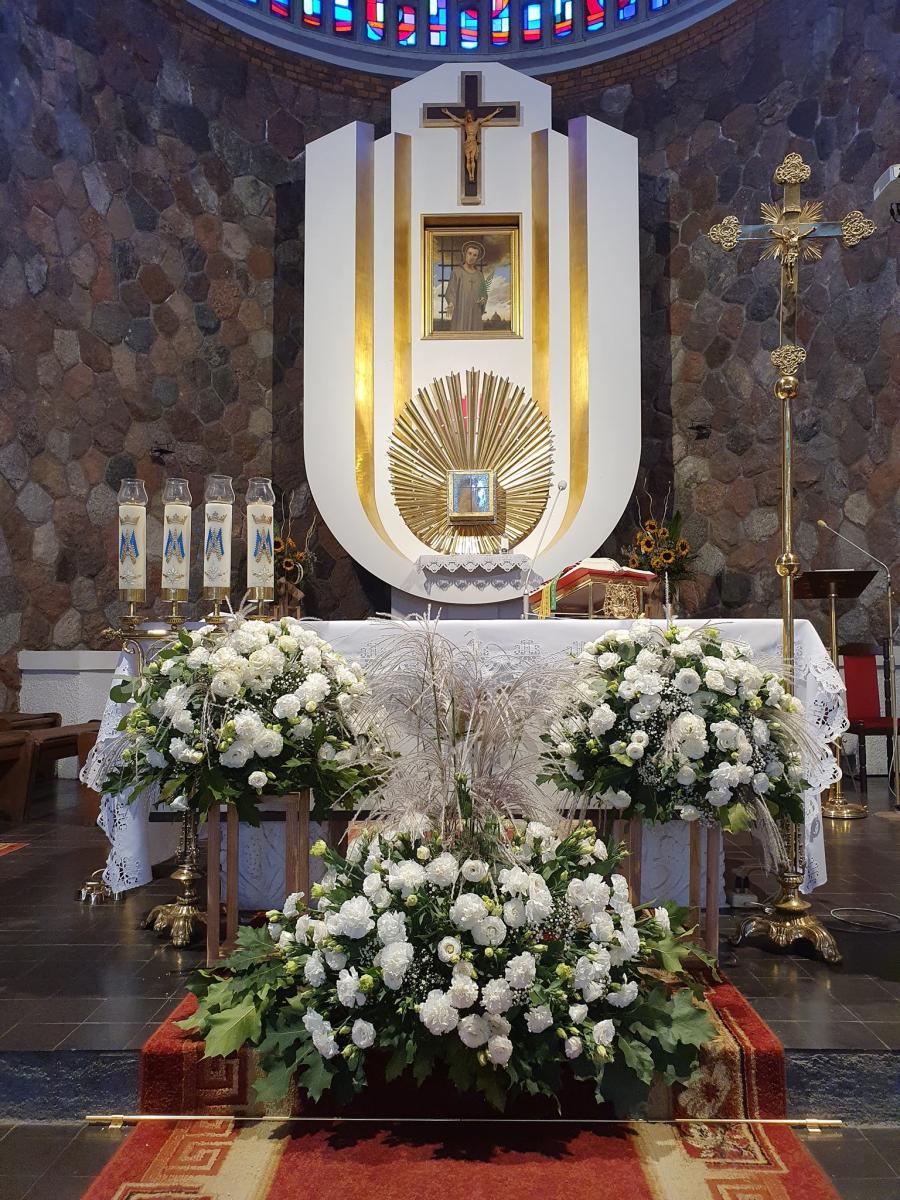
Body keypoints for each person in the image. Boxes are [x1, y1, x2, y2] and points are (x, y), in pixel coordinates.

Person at [444, 241, 489, 332]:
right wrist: (451, 303)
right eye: (469, 253)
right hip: (461, 311)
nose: (471, 257)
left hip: (475, 311)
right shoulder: (457, 272)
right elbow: (451, 290)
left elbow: (483, 293)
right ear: (465, 254)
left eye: (475, 255)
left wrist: (482, 299)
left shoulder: (479, 275)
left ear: (477, 258)